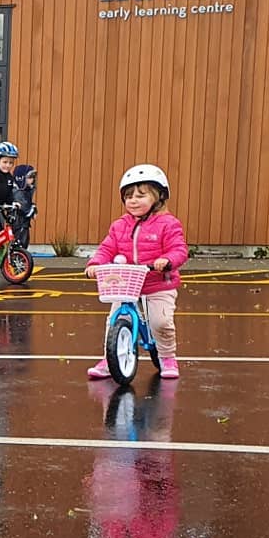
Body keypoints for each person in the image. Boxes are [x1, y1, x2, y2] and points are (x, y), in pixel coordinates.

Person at [85, 163, 188, 381]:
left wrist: (167, 260)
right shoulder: (119, 225)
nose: (133, 200)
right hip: (125, 284)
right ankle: (109, 358)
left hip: (157, 283)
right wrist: (95, 264)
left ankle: (168, 357)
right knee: (113, 320)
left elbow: (179, 249)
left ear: (158, 198)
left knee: (161, 322)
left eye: (141, 195)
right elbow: (107, 248)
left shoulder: (168, 224)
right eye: (129, 196)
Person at [12, 162, 38, 249]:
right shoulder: (18, 192)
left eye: (33, 178)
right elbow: (23, 208)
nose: (33, 180)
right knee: (20, 242)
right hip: (18, 222)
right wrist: (32, 209)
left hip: (23, 223)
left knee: (24, 241)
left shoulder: (26, 191)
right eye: (30, 177)